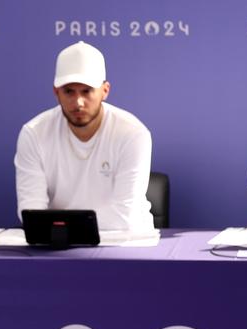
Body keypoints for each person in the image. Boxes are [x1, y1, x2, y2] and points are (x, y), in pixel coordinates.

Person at [14, 41, 154, 232]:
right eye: (69, 91)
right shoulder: (34, 133)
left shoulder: (132, 133)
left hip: (125, 243)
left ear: (105, 91)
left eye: (87, 91)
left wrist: (61, 228)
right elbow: (31, 211)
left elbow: (124, 214)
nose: (78, 102)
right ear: (56, 92)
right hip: (58, 246)